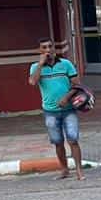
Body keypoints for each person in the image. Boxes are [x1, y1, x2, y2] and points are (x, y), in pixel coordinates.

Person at [28, 38, 85, 180]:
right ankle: (64, 169)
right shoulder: (35, 67)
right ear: (40, 51)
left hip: (69, 109)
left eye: (50, 46)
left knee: (73, 140)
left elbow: (77, 84)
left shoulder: (65, 64)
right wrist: (40, 65)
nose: (48, 50)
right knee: (57, 142)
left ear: (54, 48)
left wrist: (66, 97)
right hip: (50, 111)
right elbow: (33, 82)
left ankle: (79, 170)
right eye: (44, 47)